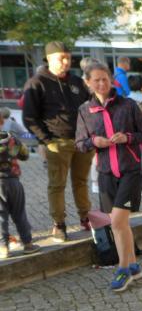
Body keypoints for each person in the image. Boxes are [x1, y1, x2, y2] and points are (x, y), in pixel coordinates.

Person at [75, 61, 142, 291]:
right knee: (121, 223)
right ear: (88, 83)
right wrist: (94, 142)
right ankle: (134, 266)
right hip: (106, 173)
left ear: (111, 79)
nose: (101, 83)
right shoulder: (84, 111)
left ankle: (123, 269)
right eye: (96, 80)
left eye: (105, 79)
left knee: (117, 221)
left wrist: (128, 137)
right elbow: (79, 144)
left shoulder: (128, 105)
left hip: (131, 170)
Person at [22, 41, 92, 242]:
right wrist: (46, 140)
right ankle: (59, 224)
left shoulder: (77, 82)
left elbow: (90, 107)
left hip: (82, 141)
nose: (66, 62)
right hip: (57, 142)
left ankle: (86, 217)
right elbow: (29, 117)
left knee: (81, 182)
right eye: (61, 58)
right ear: (49, 59)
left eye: (68, 58)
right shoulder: (37, 82)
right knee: (57, 185)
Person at [0, 130, 39, 259]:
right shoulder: (12, 139)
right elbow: (25, 155)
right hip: (13, 181)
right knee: (19, 213)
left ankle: (3, 248)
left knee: (1, 217)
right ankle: (28, 244)